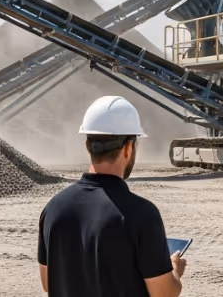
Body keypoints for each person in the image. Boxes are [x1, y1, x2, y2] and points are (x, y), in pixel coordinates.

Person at [37, 96, 186, 296]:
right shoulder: (141, 214)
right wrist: (174, 271)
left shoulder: (53, 208)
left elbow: (48, 283)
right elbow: (163, 293)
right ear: (128, 147)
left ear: (87, 145)